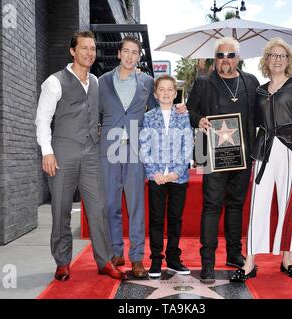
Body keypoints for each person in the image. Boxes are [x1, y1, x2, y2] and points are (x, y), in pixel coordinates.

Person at [35, 31, 126, 281]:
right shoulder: (54, 81)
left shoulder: (95, 82)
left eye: (93, 49)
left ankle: (104, 260)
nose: (90, 53)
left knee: (98, 208)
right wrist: (47, 152)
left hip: (91, 153)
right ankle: (63, 262)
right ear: (73, 51)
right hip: (62, 151)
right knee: (61, 209)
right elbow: (42, 119)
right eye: (84, 48)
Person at [98, 36, 187, 278]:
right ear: (119, 54)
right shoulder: (102, 82)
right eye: (125, 51)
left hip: (137, 149)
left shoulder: (148, 82)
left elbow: (160, 108)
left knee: (136, 205)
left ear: (139, 56)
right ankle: (117, 252)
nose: (129, 56)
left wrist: (181, 108)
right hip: (109, 149)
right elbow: (92, 114)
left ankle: (137, 258)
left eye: (134, 52)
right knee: (111, 204)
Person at [231, 37, 292, 283]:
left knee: (288, 205)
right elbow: (248, 121)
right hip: (263, 150)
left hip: (290, 150)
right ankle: (249, 263)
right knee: (258, 205)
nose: (277, 59)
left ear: (289, 60)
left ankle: (286, 260)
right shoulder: (258, 90)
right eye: (273, 55)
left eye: (282, 55)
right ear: (266, 60)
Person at [186, 37, 260, 284]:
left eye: (230, 55)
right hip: (212, 155)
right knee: (211, 206)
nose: (225, 60)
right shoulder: (203, 82)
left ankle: (233, 254)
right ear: (214, 58)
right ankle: (207, 263)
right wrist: (199, 120)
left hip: (244, 154)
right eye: (220, 55)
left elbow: (260, 117)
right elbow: (190, 110)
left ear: (238, 58)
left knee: (237, 205)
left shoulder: (250, 82)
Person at [139, 75, 194, 278]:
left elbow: (188, 146)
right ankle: (155, 260)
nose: (166, 93)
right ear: (155, 94)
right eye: (161, 89)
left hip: (177, 177)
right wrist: (154, 172)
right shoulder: (149, 117)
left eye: (170, 89)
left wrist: (176, 172)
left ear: (175, 92)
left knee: (174, 218)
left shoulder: (183, 116)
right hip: (157, 178)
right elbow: (144, 148)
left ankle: (173, 258)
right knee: (156, 219)